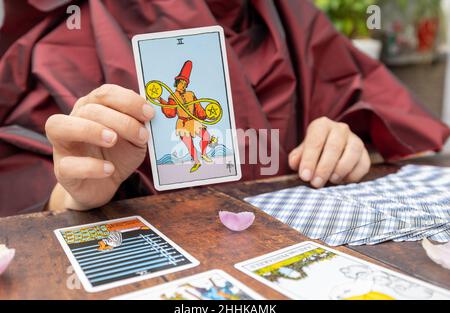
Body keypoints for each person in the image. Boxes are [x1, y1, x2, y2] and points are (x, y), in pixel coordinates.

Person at [0, 1, 449, 215]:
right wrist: (79, 193)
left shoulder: (291, 16)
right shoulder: (71, 34)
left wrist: (346, 143)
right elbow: (29, 184)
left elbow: (365, 114)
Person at [158, 60, 215, 173]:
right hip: (182, 124)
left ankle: (203, 154)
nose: (183, 86)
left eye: (185, 84)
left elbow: (198, 108)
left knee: (206, 137)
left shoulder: (191, 94)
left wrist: (208, 115)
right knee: (190, 145)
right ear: (177, 83)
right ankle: (196, 162)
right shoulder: (173, 96)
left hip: (193, 121)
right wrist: (159, 99)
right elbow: (171, 112)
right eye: (181, 83)